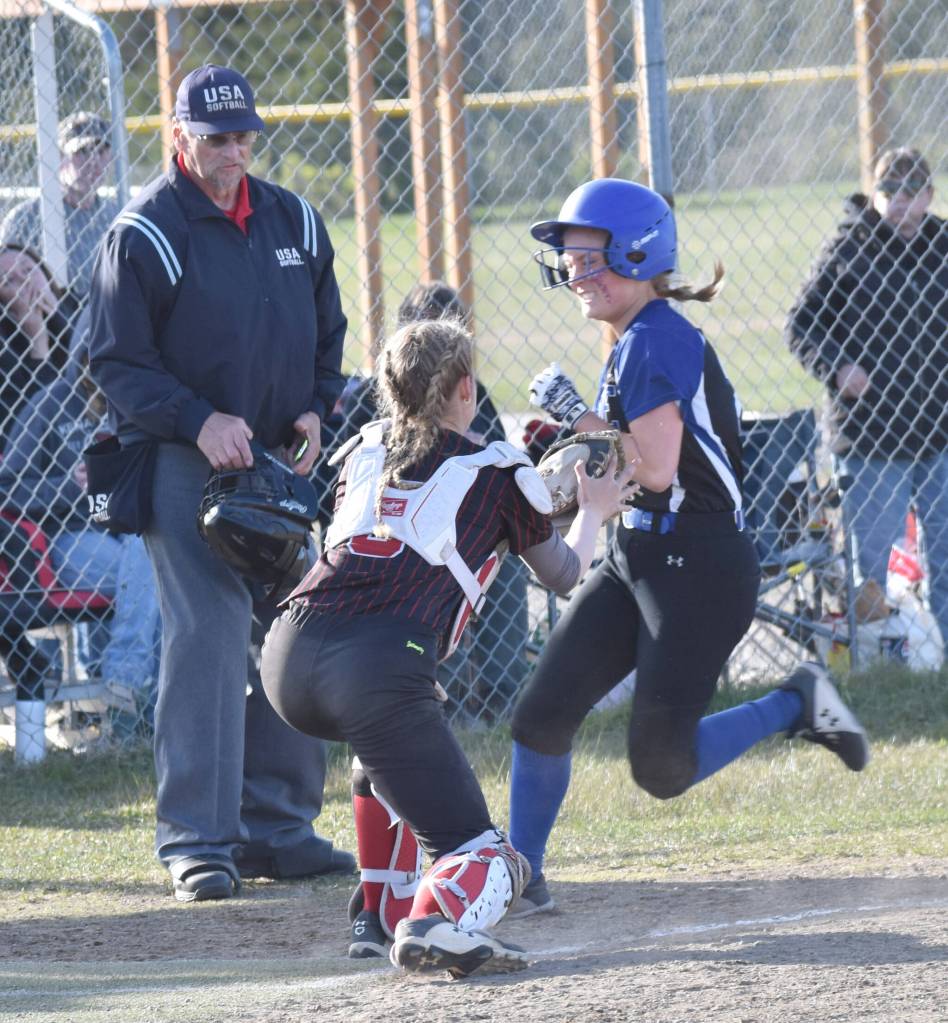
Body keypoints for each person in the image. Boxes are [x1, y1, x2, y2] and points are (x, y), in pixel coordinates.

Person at [506, 177, 871, 919]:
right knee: (539, 717)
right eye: (569, 260)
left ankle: (795, 702)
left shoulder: (656, 338)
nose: (574, 273)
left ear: (638, 254)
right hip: (639, 553)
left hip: (698, 567)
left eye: (588, 257)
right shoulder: (634, 336)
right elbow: (630, 472)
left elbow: (658, 467)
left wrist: (578, 417)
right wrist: (572, 474)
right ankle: (517, 873)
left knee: (661, 767)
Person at [259, 316, 631, 976]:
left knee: (381, 758)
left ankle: (377, 920)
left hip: (287, 651)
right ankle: (433, 922)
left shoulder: (362, 449)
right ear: (465, 387)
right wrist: (594, 508)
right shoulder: (497, 468)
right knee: (492, 858)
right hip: (372, 664)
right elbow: (564, 574)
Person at [87, 63, 352, 902]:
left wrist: (315, 407)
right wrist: (198, 418)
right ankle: (198, 840)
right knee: (208, 631)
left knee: (294, 630)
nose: (233, 151)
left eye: (243, 136)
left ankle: (278, 826)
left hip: (276, 462)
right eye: (215, 137)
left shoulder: (296, 220)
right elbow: (115, 361)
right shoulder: (145, 234)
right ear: (180, 137)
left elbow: (329, 332)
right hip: (182, 461)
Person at [334, 281, 533, 723]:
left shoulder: (469, 389)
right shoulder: (378, 392)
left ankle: (504, 697)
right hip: (400, 539)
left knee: (509, 565)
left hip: (465, 528)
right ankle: (452, 700)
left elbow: (496, 460)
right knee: (439, 573)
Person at [786, 147, 948, 641]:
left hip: (939, 431)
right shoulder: (849, 247)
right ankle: (879, 658)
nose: (901, 205)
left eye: (912, 193)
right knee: (871, 567)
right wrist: (837, 367)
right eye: (889, 194)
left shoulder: (942, 244)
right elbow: (801, 324)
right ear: (874, 195)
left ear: (928, 195)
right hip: (871, 438)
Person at [0, 331, 161, 730]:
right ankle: (128, 684)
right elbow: (9, 485)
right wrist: (69, 485)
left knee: (153, 556)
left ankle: (141, 712)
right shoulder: (53, 402)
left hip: (132, 531)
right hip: (69, 542)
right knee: (155, 565)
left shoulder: (141, 398)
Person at [0, 111, 118, 323]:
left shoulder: (116, 216)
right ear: (59, 157)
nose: (94, 161)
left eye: (101, 151)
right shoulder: (25, 218)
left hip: (105, 320)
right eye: (82, 152)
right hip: (43, 325)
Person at [0, 244, 71, 448]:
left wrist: (57, 316)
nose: (25, 281)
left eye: (28, 269)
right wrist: (37, 339)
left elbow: (91, 368)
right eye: (8, 281)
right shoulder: (6, 348)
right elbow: (42, 414)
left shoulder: (77, 303)